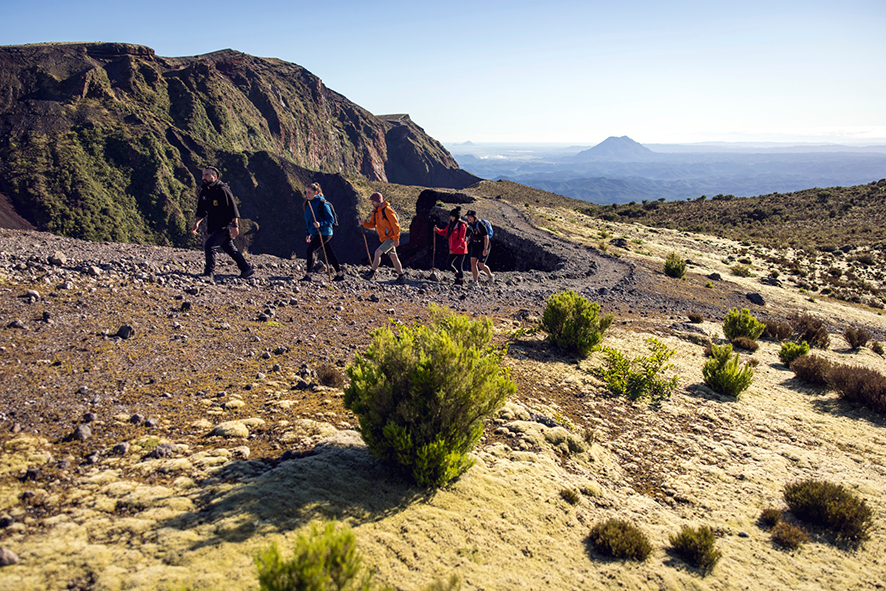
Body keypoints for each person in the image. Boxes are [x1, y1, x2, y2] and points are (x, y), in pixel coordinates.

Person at [191, 166, 254, 280]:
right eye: (203, 175)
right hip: (214, 225)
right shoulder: (205, 190)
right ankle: (246, 269)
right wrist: (197, 223)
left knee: (210, 246)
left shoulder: (222, 189)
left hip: (223, 225)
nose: (203, 177)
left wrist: (235, 225)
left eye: (206, 175)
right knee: (230, 248)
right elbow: (202, 209)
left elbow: (232, 208)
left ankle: (208, 274)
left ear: (214, 177)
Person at [302, 182, 344, 282]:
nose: (307, 195)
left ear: (316, 193)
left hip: (325, 232)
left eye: (309, 193)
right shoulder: (308, 204)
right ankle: (340, 274)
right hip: (317, 232)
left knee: (310, 250)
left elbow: (331, 220)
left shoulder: (323, 203)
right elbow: (308, 221)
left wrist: (320, 224)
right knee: (329, 252)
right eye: (306, 192)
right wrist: (308, 233)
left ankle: (308, 275)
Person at [360, 192, 405, 284]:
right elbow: (372, 225)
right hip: (385, 238)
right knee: (393, 257)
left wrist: (396, 239)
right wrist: (363, 223)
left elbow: (396, 226)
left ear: (378, 201)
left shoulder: (387, 210)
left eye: (373, 201)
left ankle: (371, 273)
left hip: (391, 238)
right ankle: (401, 276)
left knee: (377, 253)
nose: (372, 203)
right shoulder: (376, 212)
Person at [435, 206, 468, 285]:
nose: (451, 217)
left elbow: (461, 239)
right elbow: (445, 232)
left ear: (456, 217)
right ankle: (458, 276)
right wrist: (437, 230)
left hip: (461, 248)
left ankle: (461, 281)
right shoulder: (451, 224)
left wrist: (453, 248)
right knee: (449, 264)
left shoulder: (462, 225)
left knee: (459, 265)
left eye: (452, 216)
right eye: (451, 216)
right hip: (453, 248)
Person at [465, 210, 494, 285]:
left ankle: (490, 276)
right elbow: (471, 234)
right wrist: (466, 242)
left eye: (470, 216)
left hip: (483, 245)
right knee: (473, 263)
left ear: (474, 217)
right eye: (468, 216)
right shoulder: (471, 224)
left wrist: (485, 248)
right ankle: (475, 281)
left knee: (481, 265)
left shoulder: (480, 224)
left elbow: (486, 237)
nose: (468, 218)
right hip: (475, 245)